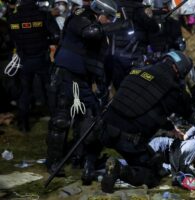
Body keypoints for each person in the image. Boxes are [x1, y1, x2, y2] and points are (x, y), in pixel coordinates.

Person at [46, 0, 125, 182]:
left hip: (83, 78)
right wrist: (112, 26)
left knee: (87, 118)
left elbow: (97, 60)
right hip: (66, 74)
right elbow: (90, 33)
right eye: (109, 17)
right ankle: (54, 161)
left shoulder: (100, 30)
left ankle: (79, 158)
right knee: (61, 120)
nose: (110, 21)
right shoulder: (81, 17)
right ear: (99, 12)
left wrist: (102, 85)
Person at [94, 51, 194, 192]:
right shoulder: (174, 90)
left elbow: (146, 106)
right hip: (128, 141)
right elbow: (189, 113)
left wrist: (170, 127)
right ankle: (119, 170)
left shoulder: (138, 71)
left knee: (155, 160)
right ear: (180, 70)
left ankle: (89, 164)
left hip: (104, 129)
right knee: (152, 176)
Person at [7, 0, 54, 132]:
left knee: (25, 91)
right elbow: (55, 35)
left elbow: (11, 40)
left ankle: (24, 124)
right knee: (49, 88)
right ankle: (55, 119)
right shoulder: (43, 15)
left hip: (24, 59)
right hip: (41, 58)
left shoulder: (13, 17)